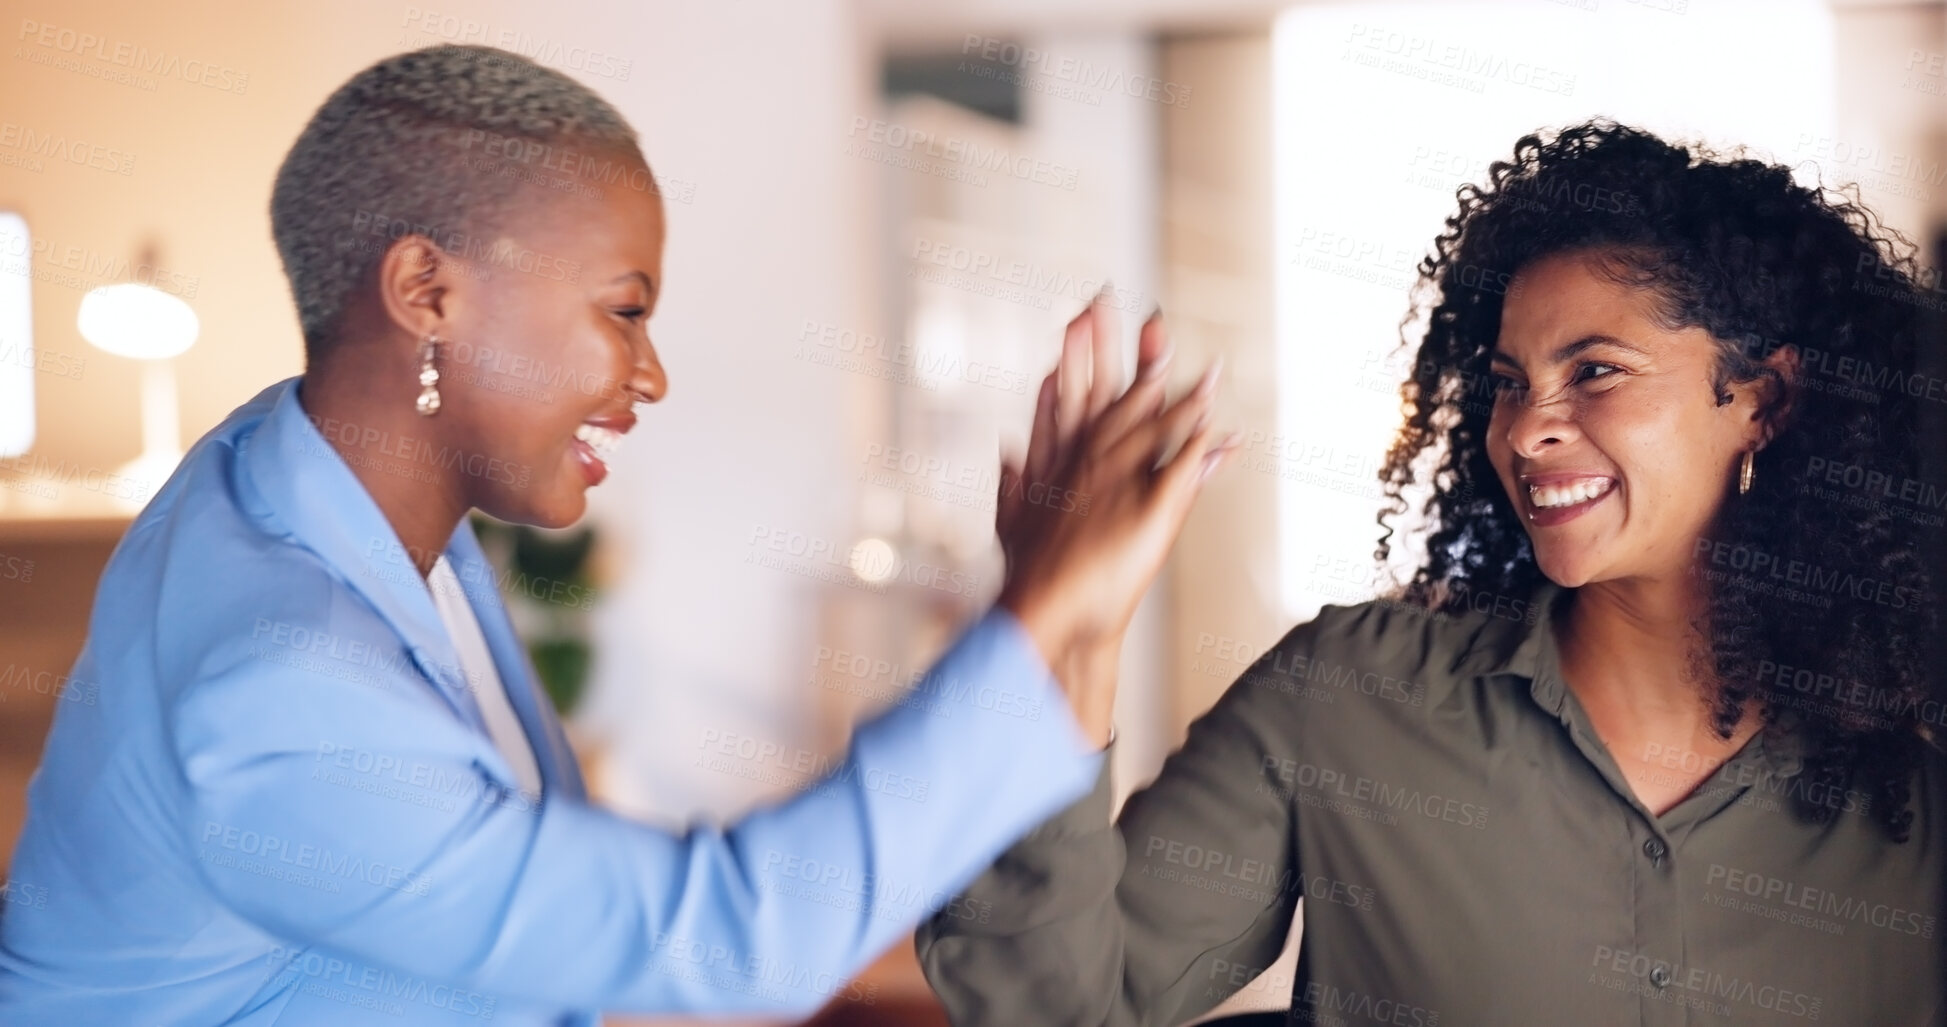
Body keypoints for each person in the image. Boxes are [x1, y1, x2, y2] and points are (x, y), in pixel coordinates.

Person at [0, 45, 1241, 1025]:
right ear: (427, 291)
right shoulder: (283, 684)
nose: (648, 376)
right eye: (623, 310)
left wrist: (1046, 614)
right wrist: (1038, 620)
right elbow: (738, 945)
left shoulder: (283, 476)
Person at [917, 119, 1947, 1025]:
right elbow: (1060, 1009)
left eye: (1594, 371)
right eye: (1508, 383)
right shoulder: (1348, 700)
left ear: (1764, 400)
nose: (1530, 429)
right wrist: (1064, 634)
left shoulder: (1911, 772)